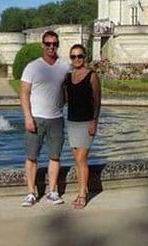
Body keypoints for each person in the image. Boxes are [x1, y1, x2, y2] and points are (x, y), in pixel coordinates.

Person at [19, 30, 70, 207]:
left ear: (57, 45)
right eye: (48, 44)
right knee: (31, 156)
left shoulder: (64, 66)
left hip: (56, 118)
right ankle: (31, 193)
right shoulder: (32, 67)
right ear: (43, 45)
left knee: (55, 156)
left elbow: (66, 89)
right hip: (36, 118)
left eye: (54, 44)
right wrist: (28, 117)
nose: (51, 47)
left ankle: (52, 191)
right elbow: (24, 93)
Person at [64, 43, 102, 209]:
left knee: (81, 159)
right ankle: (83, 188)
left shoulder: (92, 76)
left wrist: (94, 120)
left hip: (87, 122)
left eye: (80, 56)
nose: (77, 59)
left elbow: (97, 100)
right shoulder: (68, 77)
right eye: (73, 56)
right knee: (77, 159)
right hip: (72, 122)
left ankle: (82, 195)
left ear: (84, 57)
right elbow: (65, 99)